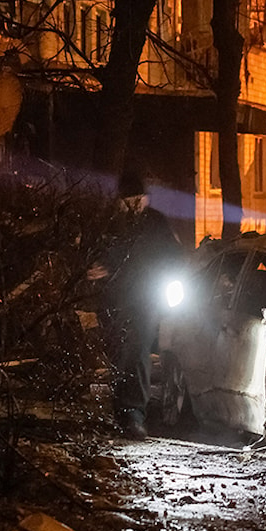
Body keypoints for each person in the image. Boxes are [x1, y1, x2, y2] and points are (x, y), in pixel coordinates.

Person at [103, 172, 184, 439]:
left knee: (136, 353)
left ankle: (134, 414)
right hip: (113, 301)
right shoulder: (111, 225)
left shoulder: (155, 223)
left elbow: (174, 256)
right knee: (119, 356)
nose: (135, 205)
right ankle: (122, 414)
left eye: (138, 199)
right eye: (129, 200)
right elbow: (100, 257)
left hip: (143, 300)